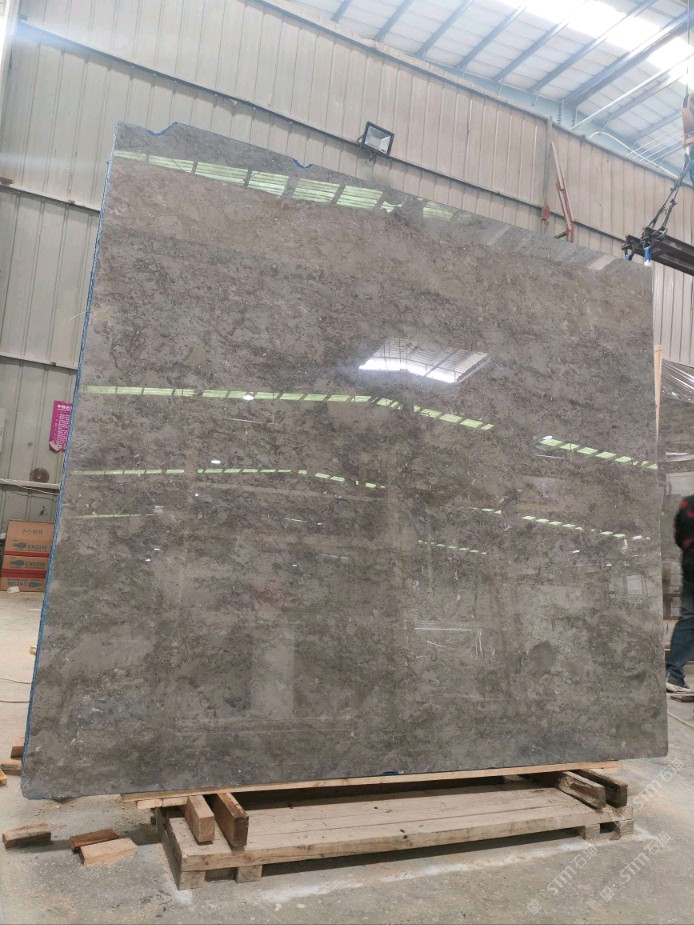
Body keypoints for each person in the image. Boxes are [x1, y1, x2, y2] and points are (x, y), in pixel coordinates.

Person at [667, 493, 694, 692]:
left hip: (691, 565)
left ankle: (674, 675)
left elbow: (678, 535)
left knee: (688, 618)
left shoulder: (688, 503)